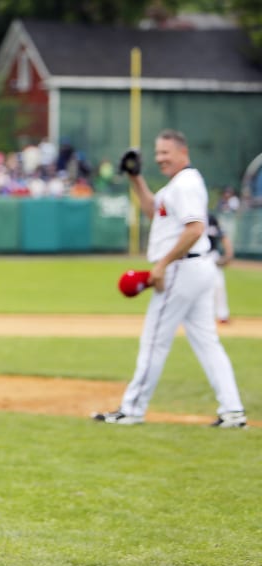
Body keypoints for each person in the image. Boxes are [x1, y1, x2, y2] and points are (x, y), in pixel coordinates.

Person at [92, 129, 246, 428]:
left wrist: (162, 265)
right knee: (207, 342)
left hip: (182, 269)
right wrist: (136, 178)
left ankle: (132, 410)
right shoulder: (178, 185)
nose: (160, 158)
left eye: (166, 152)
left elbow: (195, 229)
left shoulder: (186, 184)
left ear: (182, 152)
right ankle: (233, 411)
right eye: (157, 153)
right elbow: (153, 210)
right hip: (197, 269)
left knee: (154, 341)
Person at [206, 213, 234, 323]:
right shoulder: (189, 214)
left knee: (218, 285)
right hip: (193, 257)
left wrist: (229, 253)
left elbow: (223, 236)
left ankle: (222, 315)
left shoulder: (211, 218)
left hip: (212, 255)